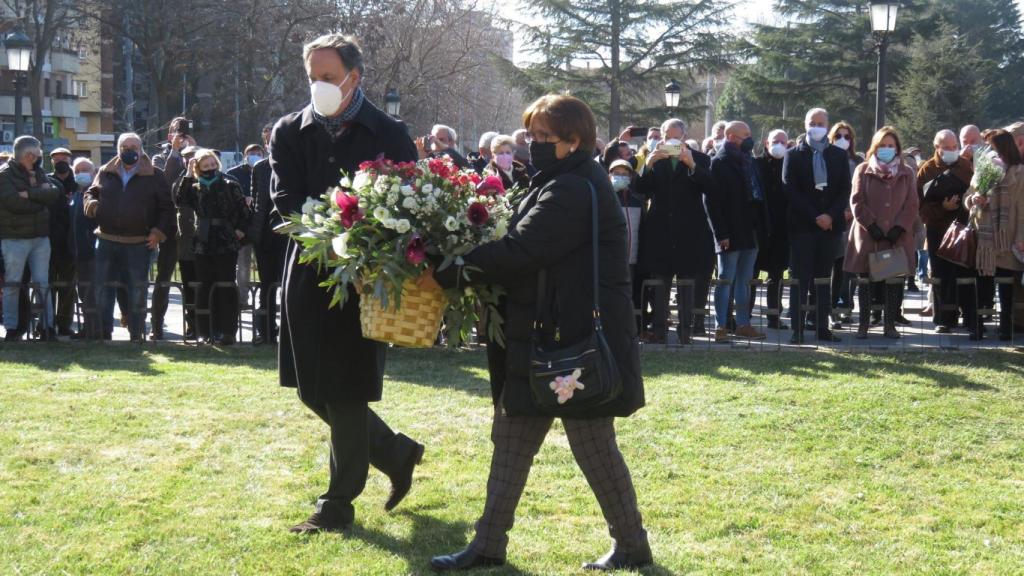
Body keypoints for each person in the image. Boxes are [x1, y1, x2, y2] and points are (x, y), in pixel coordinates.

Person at [429, 94, 650, 573]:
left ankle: (632, 544)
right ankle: (488, 545)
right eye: (530, 134)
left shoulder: (570, 189)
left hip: (570, 341)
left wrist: (450, 270)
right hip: (550, 336)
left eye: (544, 137)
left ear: (574, 141)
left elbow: (521, 250)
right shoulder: (559, 180)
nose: (533, 144)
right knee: (511, 440)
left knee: (593, 448)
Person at [270, 33, 425, 534]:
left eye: (328, 77)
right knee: (312, 387)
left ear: (354, 77)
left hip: (366, 273)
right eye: (312, 77)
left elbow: (407, 195)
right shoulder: (289, 130)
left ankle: (337, 504)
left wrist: (360, 242)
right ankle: (396, 453)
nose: (319, 86)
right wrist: (331, 228)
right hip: (310, 265)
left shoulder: (387, 130)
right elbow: (285, 197)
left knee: (348, 387)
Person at [84, 132, 176, 342]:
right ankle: (103, 334)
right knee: (103, 291)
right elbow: (91, 192)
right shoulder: (105, 171)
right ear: (119, 149)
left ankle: (137, 334)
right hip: (106, 240)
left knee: (137, 291)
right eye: (126, 146)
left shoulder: (155, 175)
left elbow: (166, 208)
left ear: (141, 149)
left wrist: (157, 233)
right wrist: (92, 205)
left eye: (134, 146)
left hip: (138, 244)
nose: (130, 150)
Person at [637, 118, 716, 344]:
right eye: (667, 137)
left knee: (686, 282)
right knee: (660, 281)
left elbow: (710, 187)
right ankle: (660, 329)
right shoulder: (655, 159)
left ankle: (685, 330)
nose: (671, 141)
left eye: (675, 137)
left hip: (689, 230)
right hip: (660, 230)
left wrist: (691, 164)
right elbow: (640, 189)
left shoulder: (700, 158)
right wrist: (648, 164)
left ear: (683, 137)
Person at [782, 108, 852, 344]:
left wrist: (830, 216)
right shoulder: (794, 154)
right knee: (800, 279)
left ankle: (823, 327)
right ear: (805, 124)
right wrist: (815, 216)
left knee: (824, 279)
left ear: (827, 124)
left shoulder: (838, 155)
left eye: (821, 122)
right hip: (803, 225)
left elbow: (844, 189)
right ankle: (798, 329)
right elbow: (790, 188)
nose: (817, 126)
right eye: (813, 122)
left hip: (830, 227)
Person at [845, 126, 919, 339]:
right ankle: (863, 325)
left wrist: (899, 226)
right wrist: (872, 225)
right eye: (882, 146)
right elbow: (857, 201)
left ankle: (889, 324)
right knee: (866, 282)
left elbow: (912, 203)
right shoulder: (863, 169)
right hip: (870, 236)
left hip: (896, 237)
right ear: (875, 148)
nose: (886, 149)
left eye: (890, 146)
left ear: (897, 148)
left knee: (893, 283)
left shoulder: (907, 172)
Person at [176, 149, 250, 345]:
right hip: (203, 240)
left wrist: (239, 230)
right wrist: (189, 175)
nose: (210, 169)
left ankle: (228, 331)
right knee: (204, 286)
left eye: (212, 165)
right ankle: (204, 330)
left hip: (225, 240)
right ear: (199, 168)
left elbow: (244, 212)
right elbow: (180, 200)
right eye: (205, 166)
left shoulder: (230, 185)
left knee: (225, 285)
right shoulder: (194, 188)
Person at [706, 121, 766, 341]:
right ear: (731, 137)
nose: (750, 139)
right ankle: (720, 326)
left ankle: (743, 323)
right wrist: (721, 234)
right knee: (725, 279)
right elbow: (712, 203)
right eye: (745, 135)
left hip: (750, 231)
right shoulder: (718, 163)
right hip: (730, 233)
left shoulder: (750, 162)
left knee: (744, 280)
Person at [0, 136, 61, 341]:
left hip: (40, 238)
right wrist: (39, 198)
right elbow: (13, 203)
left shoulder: (39, 172)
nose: (39, 159)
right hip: (14, 239)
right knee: (13, 285)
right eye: (37, 155)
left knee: (43, 284)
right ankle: (12, 327)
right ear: (29, 156)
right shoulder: (4, 175)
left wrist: (29, 194)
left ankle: (47, 326)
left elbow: (53, 194)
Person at [917, 129, 977, 337]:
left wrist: (965, 204)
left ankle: (970, 318)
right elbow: (920, 206)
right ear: (937, 147)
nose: (952, 151)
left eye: (954, 147)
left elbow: (976, 191)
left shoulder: (965, 167)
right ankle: (943, 319)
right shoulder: (927, 169)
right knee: (941, 277)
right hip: (938, 230)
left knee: (964, 273)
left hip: (962, 229)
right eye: (947, 148)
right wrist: (943, 207)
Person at [966, 129, 1024, 341]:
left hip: (1007, 237)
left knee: (1007, 283)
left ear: (1004, 148)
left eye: (992, 147)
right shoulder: (983, 169)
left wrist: (1020, 237)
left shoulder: (1020, 172)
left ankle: (1005, 325)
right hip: (984, 237)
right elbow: (969, 196)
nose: (989, 151)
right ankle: (979, 325)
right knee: (982, 280)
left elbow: (1023, 209)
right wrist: (974, 200)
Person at [147, 118, 194, 340]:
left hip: (191, 228)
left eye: (185, 135)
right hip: (168, 227)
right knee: (163, 279)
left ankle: (194, 325)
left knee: (192, 279)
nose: (182, 139)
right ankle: (157, 326)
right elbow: (164, 181)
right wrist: (175, 153)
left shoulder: (198, 155)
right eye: (178, 135)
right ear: (170, 137)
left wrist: (195, 153)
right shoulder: (160, 157)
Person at [249, 124, 286, 345]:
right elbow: (257, 203)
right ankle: (267, 330)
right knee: (267, 286)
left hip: (289, 233)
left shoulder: (296, 164)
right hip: (265, 235)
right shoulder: (260, 168)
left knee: (289, 285)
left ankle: (290, 331)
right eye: (269, 140)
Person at [827, 122, 861, 328]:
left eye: (847, 136)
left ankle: (846, 307)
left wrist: (852, 211)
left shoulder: (857, 161)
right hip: (832, 219)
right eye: (838, 135)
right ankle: (830, 309)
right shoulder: (825, 158)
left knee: (850, 269)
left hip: (853, 221)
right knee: (833, 267)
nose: (843, 140)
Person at [755, 129, 790, 329]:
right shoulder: (756, 164)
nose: (779, 145)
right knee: (751, 275)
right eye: (776, 141)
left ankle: (774, 317)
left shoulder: (789, 164)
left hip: (781, 229)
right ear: (766, 143)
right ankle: (745, 317)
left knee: (776, 276)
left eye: (783, 142)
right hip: (759, 228)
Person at [227, 144, 265, 307]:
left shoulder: (267, 170)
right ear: (245, 156)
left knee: (265, 266)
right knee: (243, 266)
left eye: (258, 153)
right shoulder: (234, 174)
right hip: (242, 227)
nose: (254, 156)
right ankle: (242, 300)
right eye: (251, 154)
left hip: (263, 226)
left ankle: (266, 299)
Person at [69, 158, 100, 340]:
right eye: (77, 170)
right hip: (78, 252)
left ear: (93, 172)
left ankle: (95, 330)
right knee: (84, 292)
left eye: (85, 169)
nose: (81, 173)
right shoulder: (75, 195)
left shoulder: (97, 194)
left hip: (92, 252)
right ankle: (88, 328)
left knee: (92, 292)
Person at [47, 147, 77, 337]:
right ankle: (47, 324)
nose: (60, 161)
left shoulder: (79, 183)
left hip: (71, 242)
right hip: (49, 241)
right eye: (56, 159)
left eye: (64, 158)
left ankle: (65, 324)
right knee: (48, 285)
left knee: (68, 287)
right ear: (51, 162)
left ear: (70, 160)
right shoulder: (46, 181)